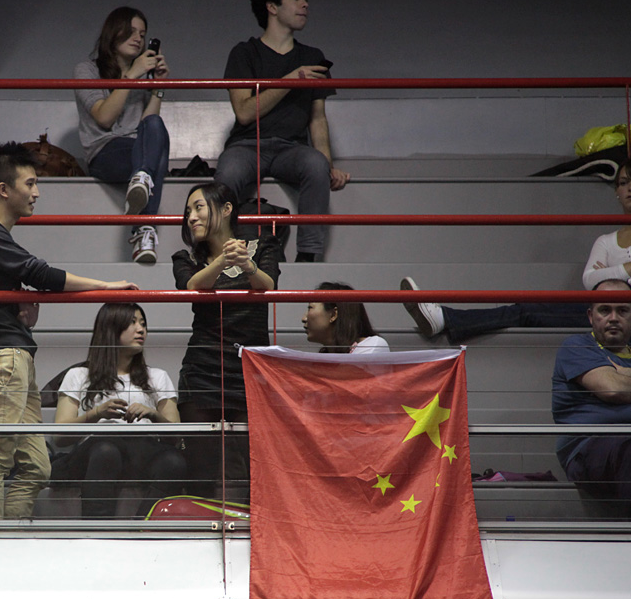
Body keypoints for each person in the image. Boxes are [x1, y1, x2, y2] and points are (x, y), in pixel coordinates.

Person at [0, 142, 138, 519]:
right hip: (0, 359)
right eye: (31, 183)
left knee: (38, 466)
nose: (37, 192)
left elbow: (21, 282)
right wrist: (103, 286)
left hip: (15, 356)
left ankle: (11, 537)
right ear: (4, 190)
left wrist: (16, 305)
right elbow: (41, 273)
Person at [402, 158, 631, 344]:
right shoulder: (605, 240)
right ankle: (445, 318)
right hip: (606, 313)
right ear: (616, 192)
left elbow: (602, 282)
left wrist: (610, 274)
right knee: (527, 308)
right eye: (623, 183)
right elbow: (591, 282)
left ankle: (446, 318)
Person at [214, 0, 350, 263]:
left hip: (292, 148)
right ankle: (220, 252)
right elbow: (245, 112)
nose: (305, 4)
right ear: (272, 7)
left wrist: (328, 164)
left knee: (315, 164)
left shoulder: (312, 56)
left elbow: (317, 119)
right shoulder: (244, 52)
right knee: (227, 174)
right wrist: (292, 79)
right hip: (248, 146)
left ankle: (308, 255)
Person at [172, 182, 279, 494]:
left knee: (251, 469)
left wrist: (247, 264)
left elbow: (268, 285)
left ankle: (251, 540)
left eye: (199, 207)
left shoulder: (265, 245)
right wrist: (222, 260)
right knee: (201, 472)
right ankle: (198, 538)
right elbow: (190, 287)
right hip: (202, 371)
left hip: (249, 371)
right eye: (188, 211)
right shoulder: (186, 257)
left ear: (227, 208)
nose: (191, 217)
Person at [52, 303, 186, 517]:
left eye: (143, 324)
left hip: (142, 448)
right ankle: (98, 531)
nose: (141, 330)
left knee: (174, 461)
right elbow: (59, 435)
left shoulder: (157, 376)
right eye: (132, 323)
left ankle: (143, 526)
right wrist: (96, 414)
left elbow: (177, 436)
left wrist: (152, 414)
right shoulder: (78, 375)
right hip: (96, 451)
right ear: (111, 329)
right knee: (106, 449)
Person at [74, 6, 171, 264]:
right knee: (153, 156)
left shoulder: (141, 76)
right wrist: (132, 76)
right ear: (113, 33)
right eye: (130, 32)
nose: (138, 38)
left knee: (157, 127)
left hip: (137, 150)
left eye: (142, 33)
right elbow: (104, 117)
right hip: (105, 152)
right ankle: (144, 228)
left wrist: (158, 87)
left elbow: (147, 125)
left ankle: (141, 179)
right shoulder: (87, 70)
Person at [551, 278, 631, 517]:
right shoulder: (577, 346)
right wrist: (619, 379)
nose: (613, 317)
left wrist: (630, 372)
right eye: (605, 310)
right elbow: (612, 389)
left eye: (622, 310)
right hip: (591, 449)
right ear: (591, 317)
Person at [302, 281, 389, 353]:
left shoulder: (372, 346)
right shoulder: (323, 359)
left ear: (333, 315)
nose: (304, 319)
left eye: (310, 308)